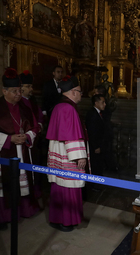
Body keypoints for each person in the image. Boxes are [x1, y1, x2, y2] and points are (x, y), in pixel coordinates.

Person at [0, 68, 40, 231]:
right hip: (2, 153)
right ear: (4, 91)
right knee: (3, 188)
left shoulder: (25, 108)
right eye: (14, 91)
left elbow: (35, 127)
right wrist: (9, 139)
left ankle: (24, 211)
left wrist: (27, 136)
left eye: (20, 90)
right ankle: (2, 217)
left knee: (22, 183)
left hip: (21, 152)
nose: (18, 94)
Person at [46, 75, 89, 232]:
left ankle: (56, 219)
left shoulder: (59, 106)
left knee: (59, 186)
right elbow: (71, 134)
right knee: (69, 187)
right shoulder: (69, 108)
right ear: (73, 91)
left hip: (59, 152)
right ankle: (67, 221)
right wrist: (79, 156)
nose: (81, 94)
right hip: (68, 156)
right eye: (80, 91)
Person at [20, 70, 44, 198]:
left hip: (36, 140)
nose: (31, 89)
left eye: (31, 86)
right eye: (28, 86)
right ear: (21, 88)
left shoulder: (33, 101)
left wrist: (39, 125)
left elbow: (39, 116)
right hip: (25, 142)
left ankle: (36, 190)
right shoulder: (19, 102)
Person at [86, 94, 106, 176]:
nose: (105, 104)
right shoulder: (92, 114)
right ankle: (94, 185)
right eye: (103, 102)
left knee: (98, 164)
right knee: (95, 165)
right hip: (94, 146)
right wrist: (96, 146)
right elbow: (92, 131)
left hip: (99, 144)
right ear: (96, 103)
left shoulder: (99, 113)